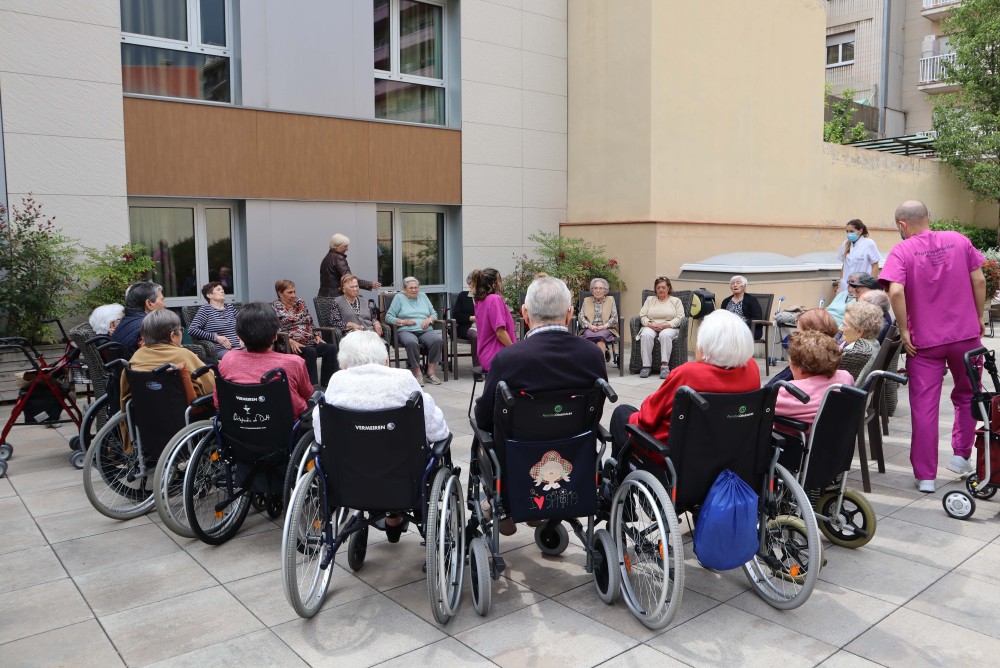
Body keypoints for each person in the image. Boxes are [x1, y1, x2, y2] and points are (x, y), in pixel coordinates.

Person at [474, 277, 608, 535]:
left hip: (515, 460)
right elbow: (596, 408)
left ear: (525, 313)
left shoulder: (509, 359)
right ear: (569, 314)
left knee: (483, 436)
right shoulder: (591, 355)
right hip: (573, 455)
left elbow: (484, 416)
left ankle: (505, 505)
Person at [879, 200, 986, 493]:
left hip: (924, 344)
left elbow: (896, 290)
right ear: (929, 218)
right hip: (965, 337)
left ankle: (926, 476)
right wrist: (978, 316)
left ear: (902, 225)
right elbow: (978, 279)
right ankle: (961, 456)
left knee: (924, 407)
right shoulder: (958, 240)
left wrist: (903, 329)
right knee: (967, 396)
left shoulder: (902, 250)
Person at [315, 330, 449, 542]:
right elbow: (437, 431)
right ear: (386, 360)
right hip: (404, 480)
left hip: (348, 482)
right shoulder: (404, 379)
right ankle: (398, 516)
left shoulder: (337, 381)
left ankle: (390, 518)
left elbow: (322, 436)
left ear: (343, 364)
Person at [610, 309, 760, 450]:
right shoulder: (752, 368)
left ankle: (619, 472)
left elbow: (647, 420)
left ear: (705, 345)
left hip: (676, 455)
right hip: (730, 448)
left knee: (621, 413)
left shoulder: (689, 373)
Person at [215, 302, 314, 417]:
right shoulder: (294, 362)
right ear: (275, 336)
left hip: (238, 425)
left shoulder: (228, 359)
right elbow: (307, 394)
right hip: (285, 428)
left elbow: (218, 402)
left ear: (239, 336)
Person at [122, 309, 215, 405]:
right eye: (181, 330)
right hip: (187, 415)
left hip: (147, 415)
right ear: (173, 336)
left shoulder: (136, 357)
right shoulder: (183, 355)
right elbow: (212, 387)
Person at [774, 331, 854, 424]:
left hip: (795, 437)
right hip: (836, 434)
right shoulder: (845, 377)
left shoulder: (790, 392)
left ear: (800, 368)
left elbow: (762, 410)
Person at [272, 279, 339, 386]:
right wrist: (289, 341)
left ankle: (329, 383)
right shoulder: (274, 307)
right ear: (280, 293)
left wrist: (316, 335)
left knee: (331, 348)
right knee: (311, 352)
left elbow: (309, 321)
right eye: (290, 292)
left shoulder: (300, 303)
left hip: (309, 341)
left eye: (294, 292)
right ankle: (309, 387)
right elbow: (274, 329)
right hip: (290, 344)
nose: (293, 295)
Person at [385, 277, 444, 385]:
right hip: (406, 330)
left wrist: (429, 319)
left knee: (437, 340)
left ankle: (431, 373)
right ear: (404, 289)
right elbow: (388, 317)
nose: (414, 290)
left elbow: (434, 314)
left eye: (416, 287)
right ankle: (418, 373)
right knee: (411, 342)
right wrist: (404, 322)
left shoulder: (423, 296)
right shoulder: (399, 298)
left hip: (424, 330)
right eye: (411, 288)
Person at [766, 308, 840, 387]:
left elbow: (769, 390)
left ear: (811, 336)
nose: (797, 335)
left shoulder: (801, 369)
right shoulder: (836, 365)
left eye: (799, 332)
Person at [637, 276, 685, 379]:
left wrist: (667, 325)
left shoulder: (676, 301)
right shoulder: (650, 300)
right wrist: (650, 324)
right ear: (655, 289)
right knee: (645, 334)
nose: (661, 290)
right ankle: (646, 366)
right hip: (651, 325)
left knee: (665, 335)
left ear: (668, 288)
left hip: (669, 326)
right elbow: (642, 316)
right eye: (658, 287)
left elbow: (680, 317)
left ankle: (664, 366)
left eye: (663, 287)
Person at [471, 268, 516, 372]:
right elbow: (500, 332)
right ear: (494, 284)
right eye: (500, 280)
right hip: (497, 356)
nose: (502, 283)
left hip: (487, 355)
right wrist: (514, 350)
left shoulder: (480, 301)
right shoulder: (494, 299)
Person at [188, 282, 242, 358]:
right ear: (209, 295)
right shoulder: (206, 310)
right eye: (218, 289)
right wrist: (215, 337)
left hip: (241, 347)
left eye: (222, 289)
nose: (222, 291)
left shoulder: (230, 307)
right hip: (222, 349)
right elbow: (192, 330)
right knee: (239, 358)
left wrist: (243, 337)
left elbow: (244, 323)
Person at [111, 281, 166, 356]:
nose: (164, 305)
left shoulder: (125, 322)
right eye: (162, 300)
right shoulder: (149, 325)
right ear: (149, 304)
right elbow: (160, 356)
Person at [318, 233, 381, 298]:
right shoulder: (338, 258)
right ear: (336, 246)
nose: (347, 249)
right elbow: (349, 279)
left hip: (323, 298)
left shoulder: (327, 258)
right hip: (336, 298)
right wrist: (370, 284)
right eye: (345, 246)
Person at [839, 300, 884, 386]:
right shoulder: (875, 343)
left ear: (859, 331)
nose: (841, 329)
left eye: (844, 325)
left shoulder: (853, 351)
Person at [330, 274, 384, 338]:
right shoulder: (338, 302)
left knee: (381, 346)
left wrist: (376, 324)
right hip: (352, 337)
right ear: (343, 289)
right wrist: (351, 325)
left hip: (370, 334)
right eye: (352, 287)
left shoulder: (364, 301)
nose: (355, 289)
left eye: (356, 286)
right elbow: (335, 322)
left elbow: (373, 317)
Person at [578, 277, 619, 362]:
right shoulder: (586, 301)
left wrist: (604, 326)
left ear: (605, 290)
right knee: (589, 337)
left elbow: (614, 317)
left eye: (601, 288)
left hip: (606, 328)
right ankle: (590, 364)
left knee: (600, 338)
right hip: (590, 327)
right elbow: (581, 317)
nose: (598, 290)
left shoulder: (610, 300)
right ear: (592, 290)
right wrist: (589, 326)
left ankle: (600, 364)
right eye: (595, 288)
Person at [838, 219, 881, 294]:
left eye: (851, 231)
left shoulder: (868, 243)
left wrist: (870, 285)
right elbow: (844, 266)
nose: (849, 234)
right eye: (847, 231)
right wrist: (840, 284)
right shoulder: (845, 244)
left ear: (860, 231)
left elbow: (875, 266)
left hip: (861, 286)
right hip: (845, 286)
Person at [451, 272, 479, 367]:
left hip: (484, 326)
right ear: (469, 284)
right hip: (467, 326)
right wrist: (471, 318)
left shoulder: (486, 296)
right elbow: (456, 315)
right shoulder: (463, 296)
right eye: (474, 284)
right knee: (476, 336)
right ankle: (478, 368)